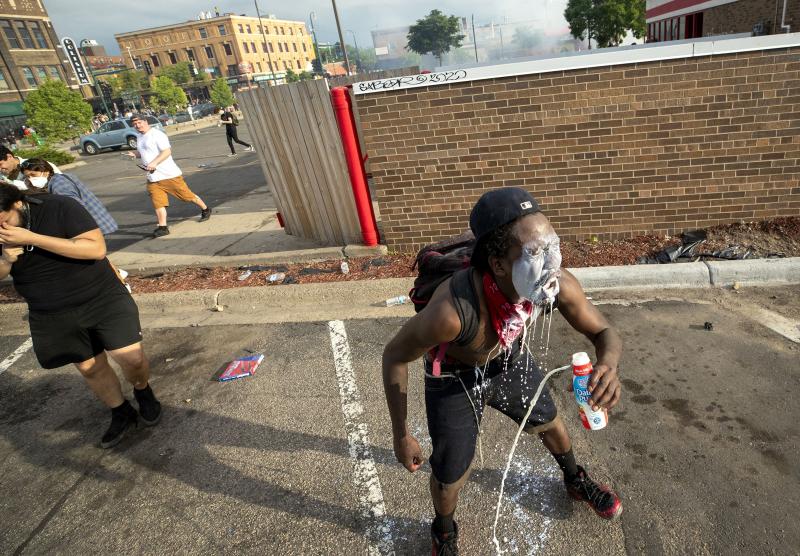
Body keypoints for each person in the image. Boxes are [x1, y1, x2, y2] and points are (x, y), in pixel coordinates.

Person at [382, 187, 623, 555]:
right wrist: (401, 435)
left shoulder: (555, 283)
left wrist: (607, 364)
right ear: (497, 265)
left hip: (507, 360)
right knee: (450, 477)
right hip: (454, 377)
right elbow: (394, 356)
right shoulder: (453, 311)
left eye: (552, 247)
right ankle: (443, 531)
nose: (551, 264)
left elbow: (603, 331)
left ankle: (575, 479)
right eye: (534, 253)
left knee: (552, 422)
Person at [0, 183, 161, 448]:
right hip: (50, 309)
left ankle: (143, 390)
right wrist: (6, 259)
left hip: (102, 297)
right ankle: (121, 411)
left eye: (4, 221)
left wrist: (30, 238)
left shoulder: (59, 206)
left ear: (17, 204)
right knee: (90, 368)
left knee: (132, 359)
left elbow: (95, 249)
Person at [127, 113, 211, 238]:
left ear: (145, 121)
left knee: (186, 196)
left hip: (169, 175)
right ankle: (163, 227)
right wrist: (135, 154)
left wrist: (155, 162)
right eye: (134, 124)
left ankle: (205, 209)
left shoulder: (157, 134)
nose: (137, 126)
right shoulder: (139, 136)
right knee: (158, 203)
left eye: (139, 122)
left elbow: (167, 151)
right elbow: (144, 152)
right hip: (153, 177)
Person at [21, 158, 118, 235]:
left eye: (33, 175)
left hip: (92, 227)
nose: (31, 179)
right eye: (28, 176)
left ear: (45, 171)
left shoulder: (59, 184)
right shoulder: (61, 177)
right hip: (98, 223)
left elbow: (74, 208)